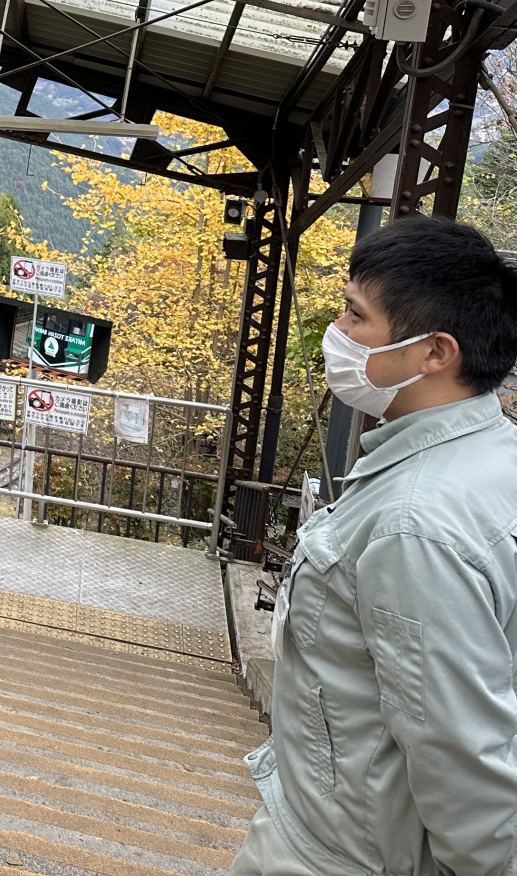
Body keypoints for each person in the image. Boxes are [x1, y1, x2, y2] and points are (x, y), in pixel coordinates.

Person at [233, 215, 517, 876]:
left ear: (434, 353)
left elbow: (461, 761)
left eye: (355, 316)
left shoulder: (413, 526)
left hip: (338, 852)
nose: (338, 333)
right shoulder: (491, 456)